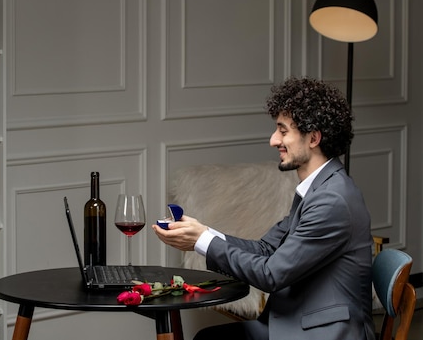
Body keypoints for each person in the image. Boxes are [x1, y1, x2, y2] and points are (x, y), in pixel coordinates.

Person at [153, 77, 375, 340]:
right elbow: (266, 249)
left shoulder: (332, 200)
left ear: (314, 137)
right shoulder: (318, 189)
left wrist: (202, 241)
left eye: (283, 131)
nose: (273, 140)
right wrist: (201, 233)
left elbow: (271, 274)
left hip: (324, 333)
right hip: (298, 322)